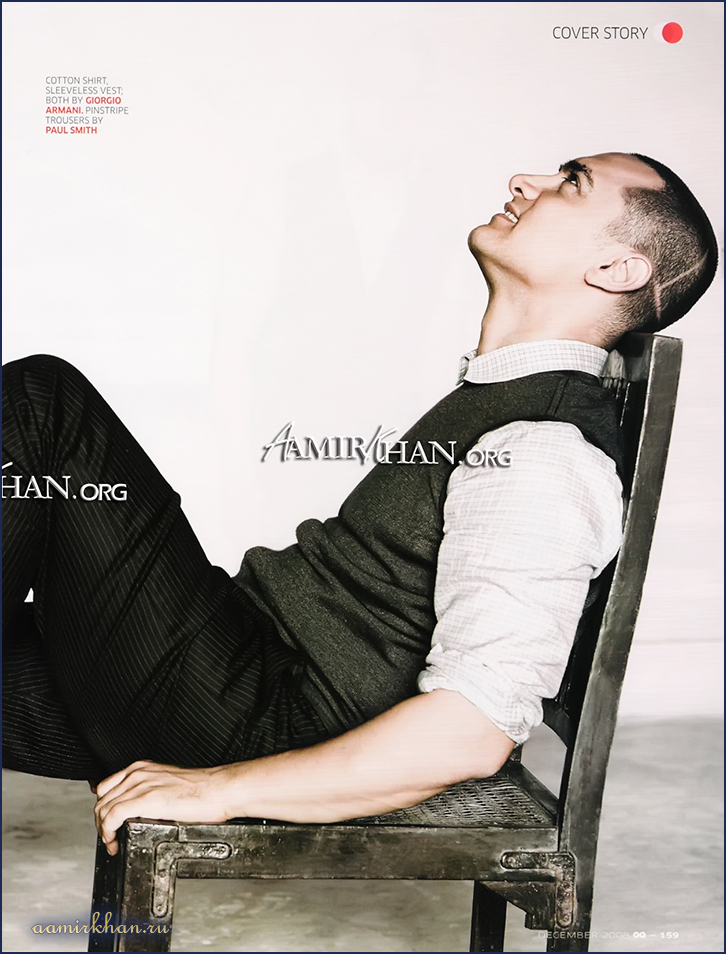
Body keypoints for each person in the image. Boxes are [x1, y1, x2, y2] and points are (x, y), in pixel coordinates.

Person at [2, 152, 717, 857]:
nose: (525, 181)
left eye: (572, 183)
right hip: (237, 662)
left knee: (44, 405)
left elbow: (474, 731)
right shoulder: (504, 399)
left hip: (263, 718)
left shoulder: (543, 448)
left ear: (617, 269)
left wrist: (219, 790)